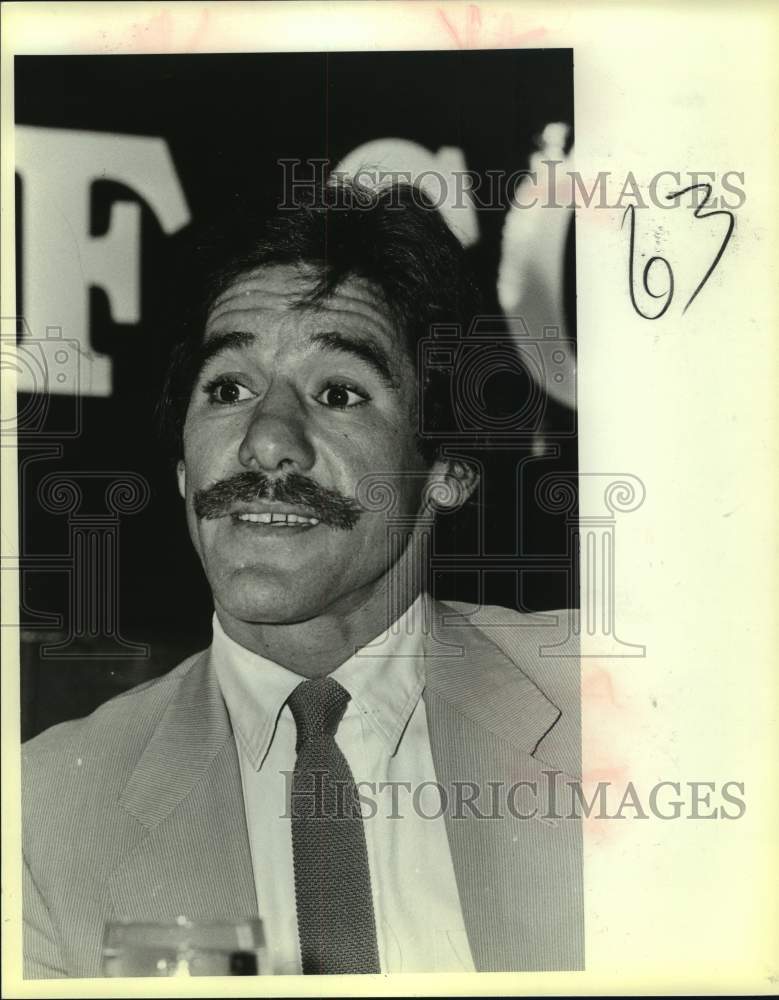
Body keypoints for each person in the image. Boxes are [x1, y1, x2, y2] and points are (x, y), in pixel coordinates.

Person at [21, 180, 583, 978]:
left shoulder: (614, 710)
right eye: (228, 389)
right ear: (183, 467)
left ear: (448, 472)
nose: (266, 442)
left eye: (337, 393)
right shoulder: (43, 817)